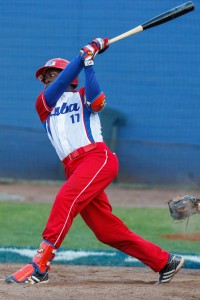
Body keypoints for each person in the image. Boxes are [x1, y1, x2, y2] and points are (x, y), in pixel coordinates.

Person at [5, 38, 184, 285]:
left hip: (96, 158)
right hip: (73, 167)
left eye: (52, 74)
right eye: (45, 76)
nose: (46, 79)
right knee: (105, 230)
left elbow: (98, 101)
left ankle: (40, 265)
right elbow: (61, 84)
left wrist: (88, 63)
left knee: (65, 199)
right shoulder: (44, 105)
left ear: (69, 77)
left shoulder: (81, 95)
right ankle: (165, 262)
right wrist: (82, 57)